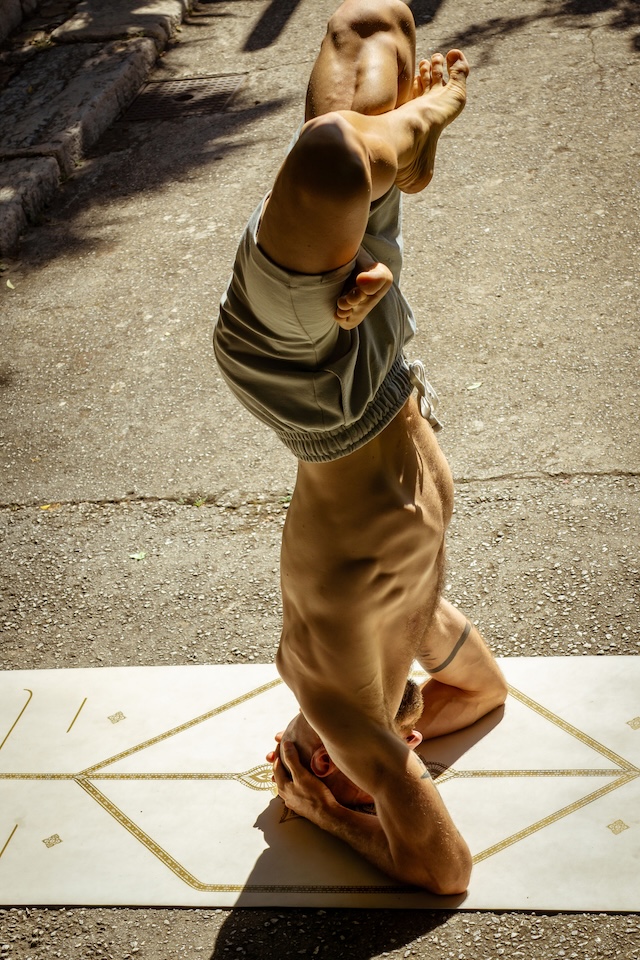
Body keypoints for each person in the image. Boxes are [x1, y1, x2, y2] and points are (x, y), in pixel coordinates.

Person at [214, 0, 507, 894]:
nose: (411, 745)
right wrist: (344, 796)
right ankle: (412, 139)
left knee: (339, 137)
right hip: (374, 378)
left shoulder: (342, 676)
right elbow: (479, 703)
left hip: (317, 391)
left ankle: (407, 141)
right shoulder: (397, 647)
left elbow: (443, 855)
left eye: (367, 782)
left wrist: (328, 799)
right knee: (367, 44)